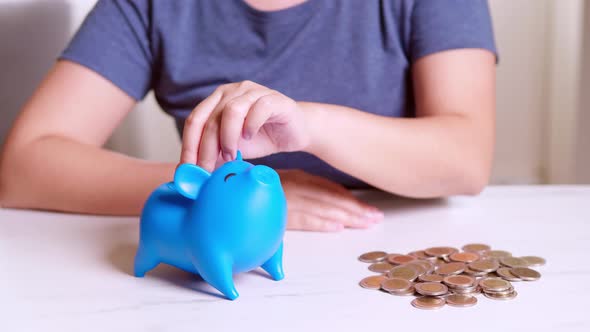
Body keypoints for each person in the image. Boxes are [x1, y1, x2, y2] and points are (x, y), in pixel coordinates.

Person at [0, 0, 497, 232]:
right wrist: (212, 192)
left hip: (397, 243)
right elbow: (25, 166)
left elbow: (466, 158)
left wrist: (311, 125)